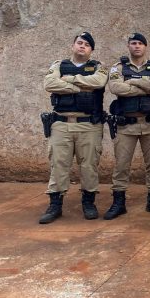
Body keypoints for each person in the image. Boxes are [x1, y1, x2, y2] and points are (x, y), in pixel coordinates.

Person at [39, 32, 108, 224]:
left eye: (87, 44)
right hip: (61, 124)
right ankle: (55, 204)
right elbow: (50, 83)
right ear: (73, 46)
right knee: (59, 165)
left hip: (89, 125)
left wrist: (69, 80)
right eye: (79, 43)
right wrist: (81, 87)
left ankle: (89, 202)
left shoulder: (98, 67)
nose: (82, 46)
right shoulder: (58, 65)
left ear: (91, 50)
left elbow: (99, 82)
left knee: (89, 165)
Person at [104, 32, 150, 220]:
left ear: (145, 46)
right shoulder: (118, 67)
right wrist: (144, 86)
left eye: (140, 43)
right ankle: (118, 203)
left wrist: (132, 82)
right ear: (129, 46)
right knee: (122, 165)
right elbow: (116, 88)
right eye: (133, 43)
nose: (137, 46)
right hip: (126, 126)